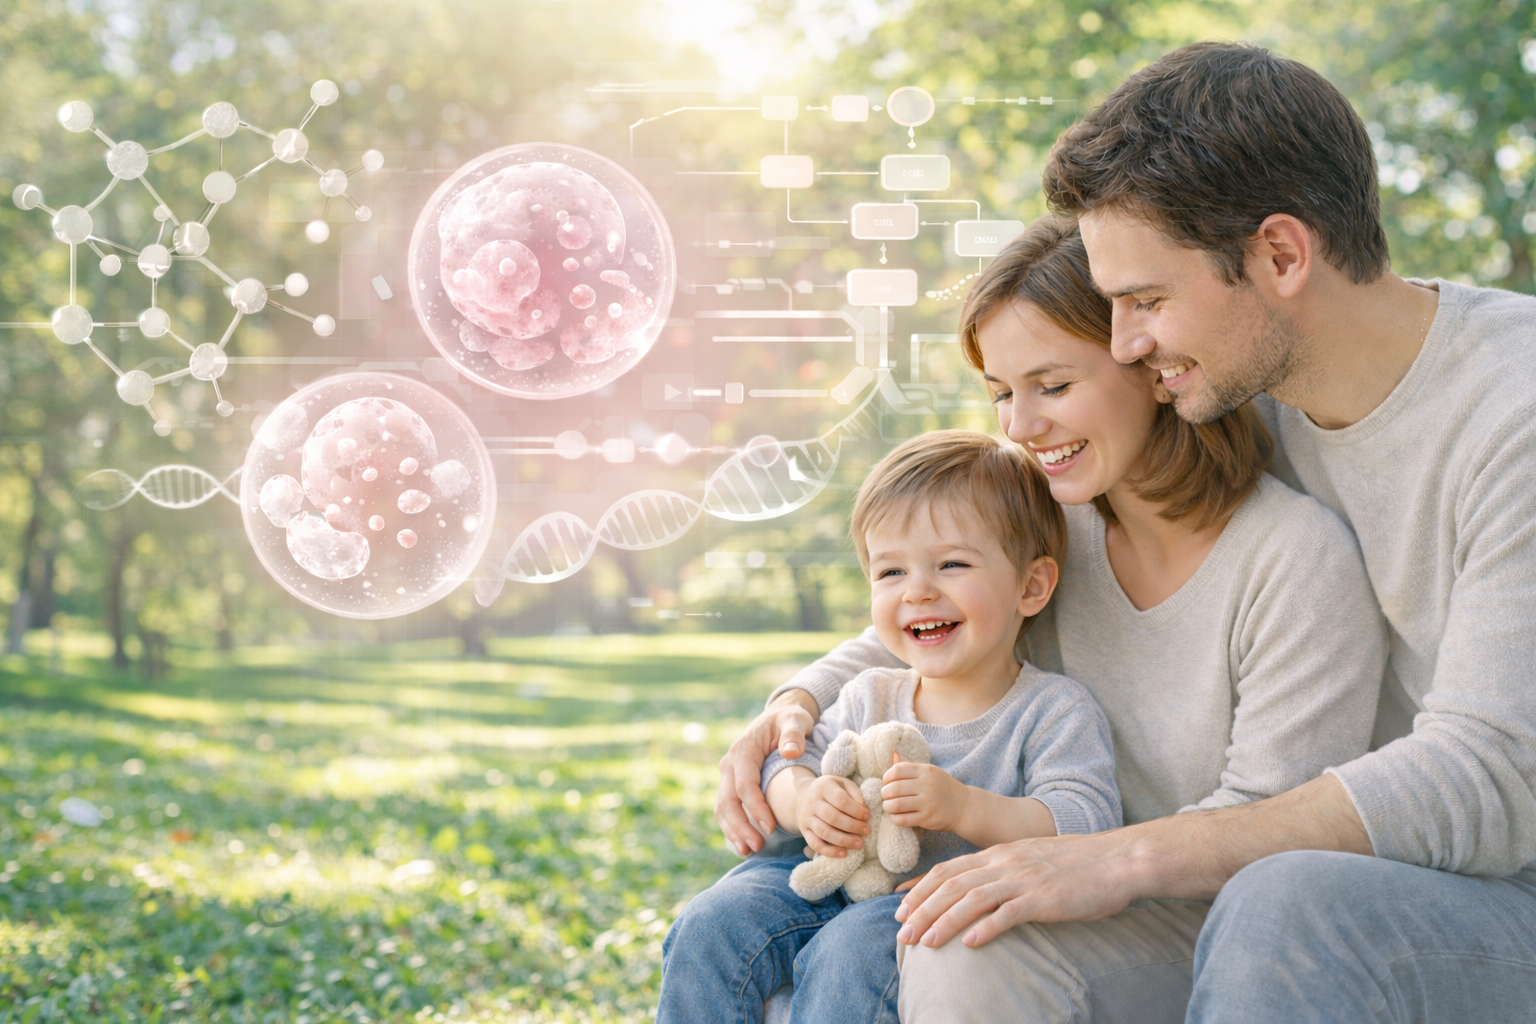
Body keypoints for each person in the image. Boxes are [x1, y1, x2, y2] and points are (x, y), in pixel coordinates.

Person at [727, 41, 1536, 1021]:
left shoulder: (1511, 412)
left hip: (1494, 901)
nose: (1126, 347)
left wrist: (1117, 855)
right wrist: (795, 706)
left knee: (1285, 902)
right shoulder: (1234, 403)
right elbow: (987, 576)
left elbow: (1494, 774)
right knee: (969, 937)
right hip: (1281, 887)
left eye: (1147, 301)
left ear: (1282, 255)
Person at [718, 212, 1390, 1021]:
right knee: (741, 918)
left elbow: (1271, 835)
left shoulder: (1293, 560)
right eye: (1002, 392)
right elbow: (911, 628)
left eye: (1054, 386)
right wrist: (791, 708)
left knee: (949, 946)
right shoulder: (1060, 523)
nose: (1019, 427)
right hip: (1058, 882)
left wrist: (1077, 862)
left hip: (1211, 925)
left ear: (1153, 367)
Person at [657, 430, 1122, 1024]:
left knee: (850, 952)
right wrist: (807, 802)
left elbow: (1086, 822)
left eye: (951, 564)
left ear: (1030, 586)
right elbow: (784, 764)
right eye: (890, 572)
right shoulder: (871, 689)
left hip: (923, 899)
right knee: (716, 920)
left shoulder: (1052, 709)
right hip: (829, 878)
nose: (918, 590)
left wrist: (965, 809)